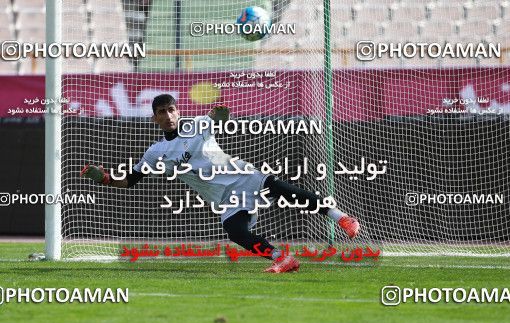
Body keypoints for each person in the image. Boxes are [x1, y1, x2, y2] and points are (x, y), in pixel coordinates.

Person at [80, 94, 360, 273]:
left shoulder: (199, 125)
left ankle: (342, 218)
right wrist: (104, 178)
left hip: (240, 176)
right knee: (236, 232)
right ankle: (283, 259)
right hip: (223, 199)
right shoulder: (155, 153)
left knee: (286, 191)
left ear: (178, 111)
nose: (167, 115)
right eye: (161, 111)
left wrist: (219, 113)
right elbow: (129, 180)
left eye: (171, 109)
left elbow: (220, 118)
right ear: (154, 117)